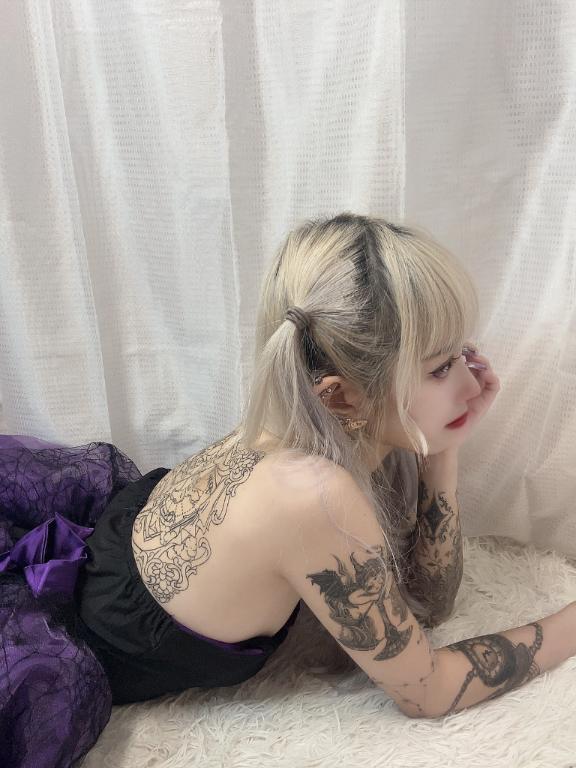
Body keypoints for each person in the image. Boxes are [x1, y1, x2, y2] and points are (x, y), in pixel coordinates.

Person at [1, 212, 574, 768]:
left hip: (109, 563)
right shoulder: (314, 496)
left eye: (463, 354)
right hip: (63, 644)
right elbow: (429, 691)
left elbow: (432, 599)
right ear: (340, 395)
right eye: (441, 368)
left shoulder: (291, 423)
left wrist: (444, 447)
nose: (475, 383)